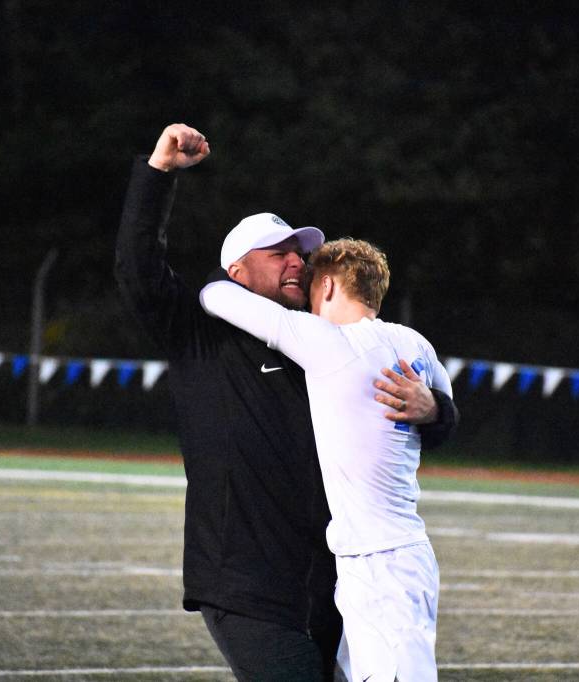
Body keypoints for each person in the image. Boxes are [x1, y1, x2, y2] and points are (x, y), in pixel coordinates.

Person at [115, 123, 458, 681]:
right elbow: (138, 272)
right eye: (278, 253)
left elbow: (424, 424)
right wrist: (158, 174)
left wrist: (436, 409)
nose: (298, 260)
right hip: (247, 587)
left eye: (301, 251)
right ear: (237, 270)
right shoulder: (202, 333)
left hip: (330, 585)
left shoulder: (327, 344)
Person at [201, 237, 453, 682]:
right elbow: (445, 412)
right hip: (379, 556)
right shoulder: (416, 343)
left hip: (383, 563)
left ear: (332, 286)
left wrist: (239, 268)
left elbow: (215, 296)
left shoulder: (330, 343)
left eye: (314, 284)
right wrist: (433, 407)